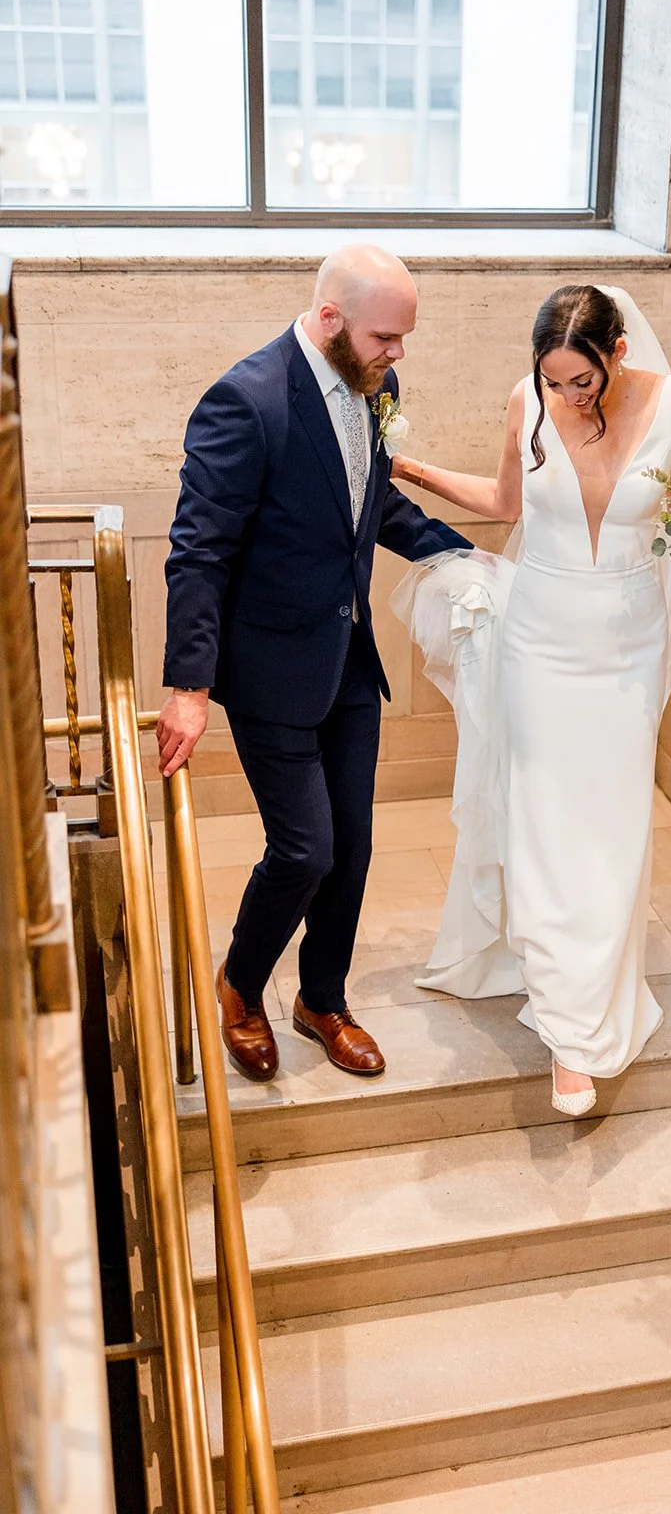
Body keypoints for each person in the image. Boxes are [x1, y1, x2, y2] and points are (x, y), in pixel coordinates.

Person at [157, 245, 471, 1083]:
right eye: (385, 336)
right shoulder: (246, 401)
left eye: (403, 338)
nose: (397, 354)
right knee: (305, 850)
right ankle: (240, 984)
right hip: (268, 668)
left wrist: (467, 562)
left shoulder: (375, 386)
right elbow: (197, 554)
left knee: (354, 847)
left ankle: (321, 999)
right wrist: (188, 687)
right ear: (329, 318)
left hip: (347, 661)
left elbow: (370, 504)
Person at [390, 285, 671, 1116]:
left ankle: (594, 988)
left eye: (581, 381)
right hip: (540, 641)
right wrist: (407, 468)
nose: (566, 397)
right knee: (543, 817)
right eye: (554, 381)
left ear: (618, 353)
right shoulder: (526, 402)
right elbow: (504, 505)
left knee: (614, 823)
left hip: (628, 644)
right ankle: (570, 1033)